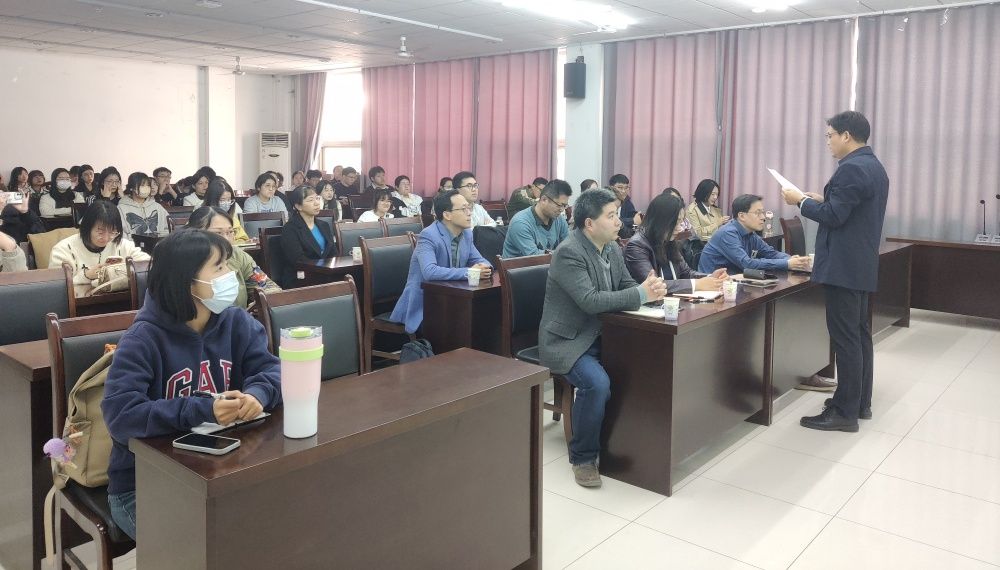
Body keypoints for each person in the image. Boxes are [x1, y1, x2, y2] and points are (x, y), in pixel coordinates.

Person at [101, 229, 281, 540]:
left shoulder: (236, 322)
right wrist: (202, 409)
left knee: (276, 524)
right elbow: (121, 416)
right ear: (187, 281)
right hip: (143, 486)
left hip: (220, 472)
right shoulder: (142, 339)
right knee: (211, 546)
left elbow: (273, 370)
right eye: (219, 267)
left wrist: (258, 394)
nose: (231, 274)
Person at [539, 189, 668, 488]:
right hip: (567, 341)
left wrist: (649, 290)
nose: (619, 222)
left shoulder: (611, 247)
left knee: (647, 366)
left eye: (617, 215)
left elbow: (625, 284)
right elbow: (590, 301)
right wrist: (640, 295)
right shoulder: (569, 252)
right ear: (589, 223)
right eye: (611, 216)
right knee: (596, 384)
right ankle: (583, 457)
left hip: (604, 334)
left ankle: (629, 443)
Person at [781, 111, 889, 432]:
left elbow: (834, 217)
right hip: (860, 265)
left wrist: (800, 202)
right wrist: (822, 199)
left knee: (846, 340)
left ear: (846, 136)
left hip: (843, 267)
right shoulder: (873, 166)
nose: (827, 142)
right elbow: (848, 209)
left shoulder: (851, 168)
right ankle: (859, 403)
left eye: (830, 135)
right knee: (859, 336)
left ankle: (844, 413)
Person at [390, 190, 491, 334]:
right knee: (466, 324)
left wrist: (485, 267)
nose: (469, 213)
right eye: (464, 209)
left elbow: (480, 260)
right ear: (447, 215)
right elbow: (430, 272)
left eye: (469, 208)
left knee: (483, 317)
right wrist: (471, 272)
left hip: (452, 299)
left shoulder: (466, 233)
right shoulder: (428, 235)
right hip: (426, 304)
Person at [624, 193, 727, 292]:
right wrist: (697, 284)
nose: (679, 228)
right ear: (661, 221)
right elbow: (654, 285)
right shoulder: (637, 245)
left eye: (680, 222)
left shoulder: (668, 240)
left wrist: (711, 278)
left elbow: (686, 273)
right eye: (676, 223)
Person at [186, 206, 281, 308]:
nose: (226, 239)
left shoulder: (238, 255)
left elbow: (265, 284)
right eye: (218, 233)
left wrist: (265, 301)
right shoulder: (185, 259)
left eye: (230, 232)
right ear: (195, 233)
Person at [698, 194, 811, 274]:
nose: (763, 217)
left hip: (733, 282)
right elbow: (747, 264)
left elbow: (770, 253)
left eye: (763, 212)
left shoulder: (750, 234)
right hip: (712, 286)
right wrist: (787, 263)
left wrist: (792, 260)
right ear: (742, 216)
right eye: (758, 213)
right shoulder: (728, 233)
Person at [49, 200, 149, 289]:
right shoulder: (64, 250)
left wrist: (123, 268)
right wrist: (86, 276)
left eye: (113, 232)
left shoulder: (121, 244)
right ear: (87, 227)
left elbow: (147, 265)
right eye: (100, 232)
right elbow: (57, 287)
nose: (106, 238)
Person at [277, 185, 336, 287]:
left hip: (325, 274)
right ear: (298, 206)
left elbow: (333, 253)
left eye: (317, 198)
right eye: (311, 200)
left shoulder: (324, 225)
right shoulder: (290, 229)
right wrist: (324, 270)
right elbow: (298, 260)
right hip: (301, 278)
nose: (316, 203)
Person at [502, 179, 571, 258]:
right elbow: (535, 257)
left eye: (564, 206)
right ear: (544, 200)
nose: (562, 210)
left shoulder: (559, 219)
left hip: (550, 264)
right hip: (522, 265)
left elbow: (568, 246)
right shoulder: (520, 223)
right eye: (559, 205)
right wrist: (564, 253)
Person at [118, 171, 170, 237]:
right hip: (132, 243)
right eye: (142, 185)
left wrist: (159, 236)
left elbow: (169, 228)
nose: (146, 188)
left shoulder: (157, 207)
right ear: (132, 188)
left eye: (148, 185)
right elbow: (119, 232)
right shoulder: (121, 208)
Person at [202, 178, 250, 243]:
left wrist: (244, 242)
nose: (226, 203)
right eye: (222, 200)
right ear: (212, 200)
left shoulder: (233, 219)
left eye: (229, 200)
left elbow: (243, 239)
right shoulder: (201, 218)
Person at [608, 174, 640, 238]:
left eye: (626, 188)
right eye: (620, 187)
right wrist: (632, 220)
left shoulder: (627, 202)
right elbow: (609, 221)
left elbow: (633, 218)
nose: (623, 191)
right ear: (611, 188)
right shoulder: (605, 202)